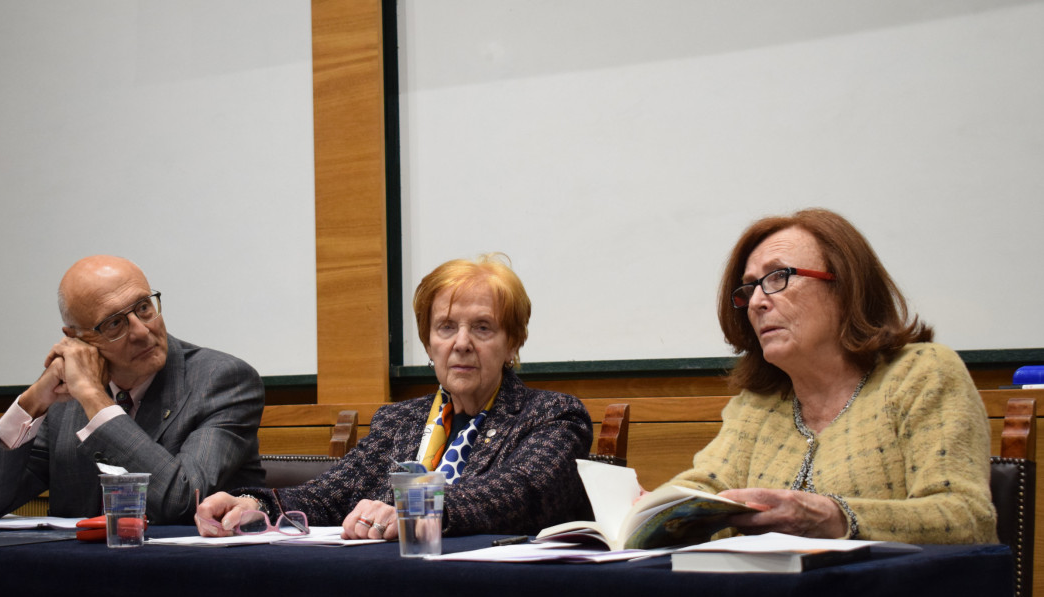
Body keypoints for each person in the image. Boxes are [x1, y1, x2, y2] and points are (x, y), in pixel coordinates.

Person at [196, 254, 593, 540]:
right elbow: (328, 494)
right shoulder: (400, 421)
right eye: (446, 327)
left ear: (512, 344)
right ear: (428, 343)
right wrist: (252, 503)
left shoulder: (553, 416)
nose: (461, 344)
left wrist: (414, 507)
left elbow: (516, 492)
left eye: (483, 328)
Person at [661, 208, 997, 544]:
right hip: (779, 594)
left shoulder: (922, 373)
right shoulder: (758, 404)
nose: (757, 302)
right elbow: (704, 486)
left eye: (778, 277)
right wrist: (645, 509)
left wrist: (837, 518)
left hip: (901, 593)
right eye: (749, 288)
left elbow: (964, 516)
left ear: (844, 286)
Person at [0, 255, 265, 524]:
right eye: (114, 323)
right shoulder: (65, 401)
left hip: (188, 572)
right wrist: (33, 402)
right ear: (76, 338)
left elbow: (181, 500)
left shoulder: (223, 380)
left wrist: (95, 400)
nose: (141, 331)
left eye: (144, 308)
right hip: (70, 573)